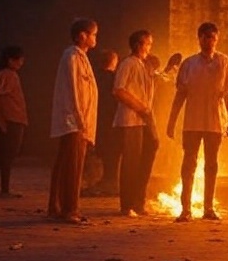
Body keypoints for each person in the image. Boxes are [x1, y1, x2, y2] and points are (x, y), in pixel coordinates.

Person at [167, 21, 228, 222]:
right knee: (189, 164)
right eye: (205, 37)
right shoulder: (188, 64)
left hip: (215, 121)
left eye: (213, 37)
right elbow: (180, 95)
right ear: (199, 39)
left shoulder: (224, 62)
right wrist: (172, 121)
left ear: (217, 39)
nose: (209, 41)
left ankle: (208, 208)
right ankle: (186, 209)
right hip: (192, 122)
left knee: (211, 164)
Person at [48, 18, 99, 225]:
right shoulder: (71, 56)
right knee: (72, 166)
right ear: (82, 35)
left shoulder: (82, 57)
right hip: (74, 121)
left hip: (79, 121)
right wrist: (80, 118)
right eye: (93, 34)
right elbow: (74, 90)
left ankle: (58, 207)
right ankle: (69, 209)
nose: (95, 38)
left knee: (68, 164)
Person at [113, 30, 158, 217]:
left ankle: (139, 201)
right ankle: (127, 205)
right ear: (139, 45)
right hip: (131, 118)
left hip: (145, 117)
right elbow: (118, 90)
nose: (149, 48)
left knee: (152, 147)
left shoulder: (143, 65)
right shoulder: (128, 63)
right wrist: (139, 107)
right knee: (131, 160)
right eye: (147, 44)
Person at [0, 45, 28, 198]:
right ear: (10, 60)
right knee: (7, 155)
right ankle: (3, 189)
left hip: (13, 120)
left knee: (2, 154)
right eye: (18, 59)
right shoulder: (7, 75)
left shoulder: (7, 75)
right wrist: (1, 121)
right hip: (11, 120)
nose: (21, 62)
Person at [89, 49, 120, 196]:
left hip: (98, 119)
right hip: (112, 120)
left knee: (102, 151)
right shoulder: (114, 78)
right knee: (112, 153)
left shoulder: (94, 77)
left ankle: (105, 180)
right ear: (113, 62)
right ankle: (111, 181)